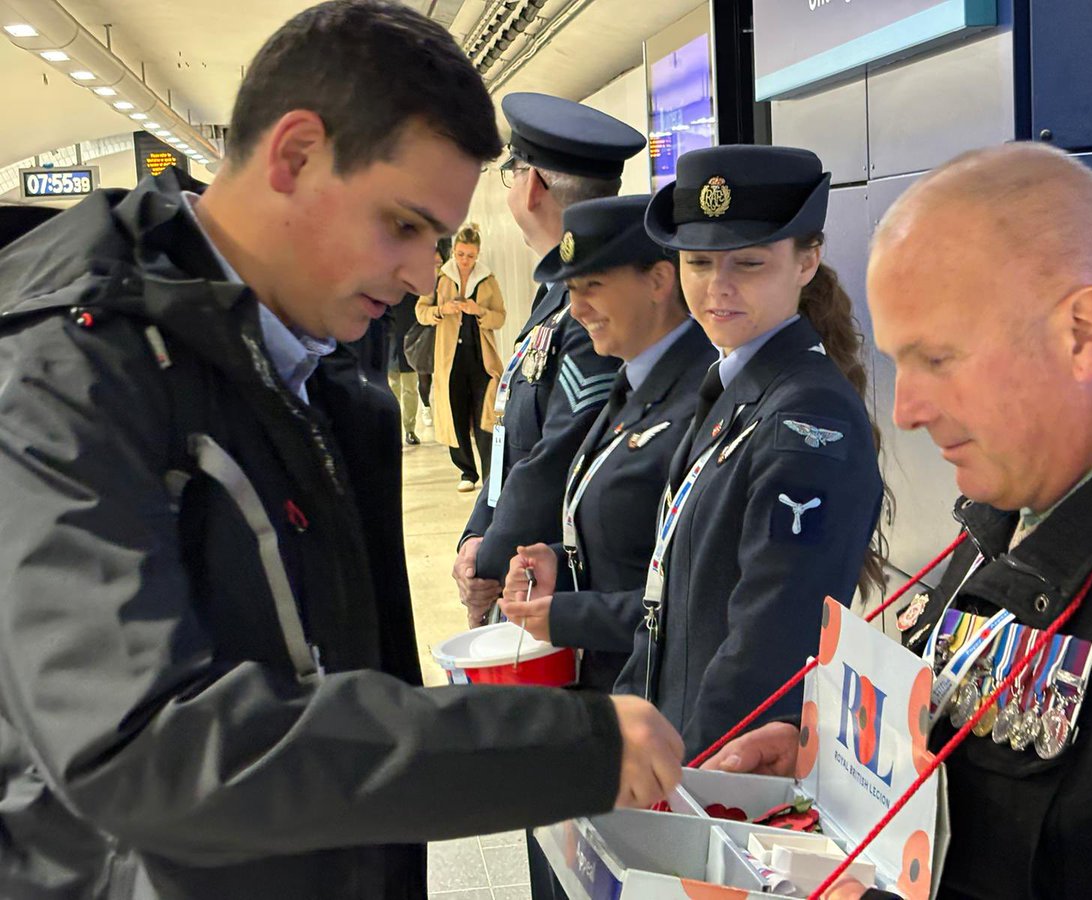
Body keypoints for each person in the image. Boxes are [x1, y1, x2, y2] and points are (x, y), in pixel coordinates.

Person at [0, 4, 683, 899]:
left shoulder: (317, 380)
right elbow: (141, 749)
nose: (420, 277)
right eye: (403, 227)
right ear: (294, 155)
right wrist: (562, 746)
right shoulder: (69, 371)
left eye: (436, 240)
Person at [704, 143, 1092, 899]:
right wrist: (836, 767)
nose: (905, 411)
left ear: (1084, 334)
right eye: (901, 364)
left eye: (938, 359)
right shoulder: (1016, 505)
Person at [598, 145, 887, 761]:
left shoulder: (807, 417)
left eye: (749, 263)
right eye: (697, 262)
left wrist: (689, 785)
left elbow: (768, 641)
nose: (716, 288)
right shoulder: (735, 388)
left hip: (732, 774)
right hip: (679, 742)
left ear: (807, 261)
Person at [498, 194, 716, 691]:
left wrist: (568, 615)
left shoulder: (702, 400)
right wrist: (558, 564)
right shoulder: (634, 380)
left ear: (660, 281)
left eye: (592, 286)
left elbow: (696, 603)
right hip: (614, 685)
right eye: (571, 289)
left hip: (659, 700)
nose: (576, 309)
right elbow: (627, 547)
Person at [454, 92, 644, 625]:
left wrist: (487, 562)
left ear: (532, 184)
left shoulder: (591, 319)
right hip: (521, 570)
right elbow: (509, 443)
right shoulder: (552, 299)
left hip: (551, 586)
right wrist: (476, 532)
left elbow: (554, 458)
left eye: (511, 172)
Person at [417, 223, 506, 490]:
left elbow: (500, 317)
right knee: (455, 415)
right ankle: (466, 472)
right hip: (450, 359)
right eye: (460, 254)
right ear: (453, 251)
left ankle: (491, 474)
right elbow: (421, 312)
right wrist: (442, 309)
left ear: (477, 254)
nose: (464, 260)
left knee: (486, 418)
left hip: (481, 359)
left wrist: (478, 310)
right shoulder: (439, 278)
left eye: (469, 255)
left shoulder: (488, 280)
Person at [388, 291, 423, 445]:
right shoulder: (383, 286)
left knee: (410, 388)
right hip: (389, 342)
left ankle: (410, 429)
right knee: (391, 388)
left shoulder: (411, 289)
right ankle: (393, 429)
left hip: (410, 342)